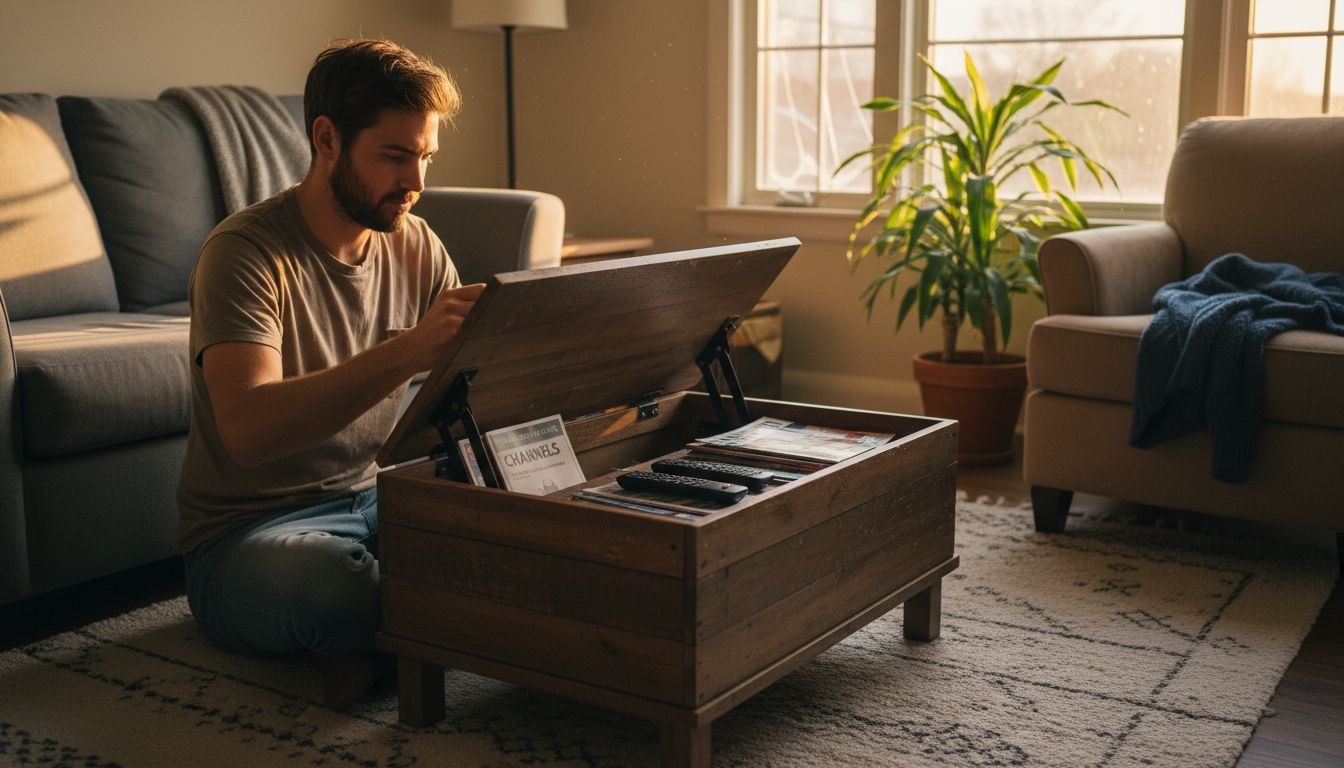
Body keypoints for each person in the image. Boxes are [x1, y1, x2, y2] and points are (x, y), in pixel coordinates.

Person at [175, 39, 485, 710]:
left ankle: (361, 650)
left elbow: (464, 395)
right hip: (252, 537)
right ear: (327, 139)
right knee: (332, 585)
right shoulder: (245, 253)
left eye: (425, 155)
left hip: (374, 501)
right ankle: (381, 629)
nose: (417, 181)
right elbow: (250, 430)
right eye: (396, 156)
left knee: (507, 534)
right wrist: (409, 351)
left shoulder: (417, 243)